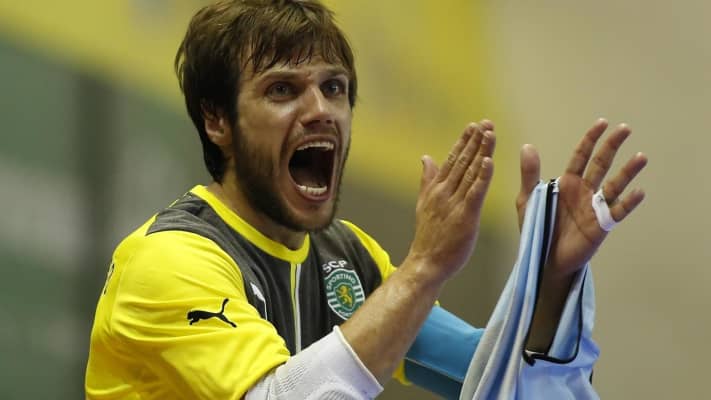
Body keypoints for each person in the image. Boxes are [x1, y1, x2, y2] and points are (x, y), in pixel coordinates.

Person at [84, 0, 648, 399]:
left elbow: (506, 387)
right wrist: (424, 267)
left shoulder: (346, 257)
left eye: (334, 87)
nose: (321, 110)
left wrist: (551, 282)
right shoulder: (168, 260)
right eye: (282, 89)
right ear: (217, 120)